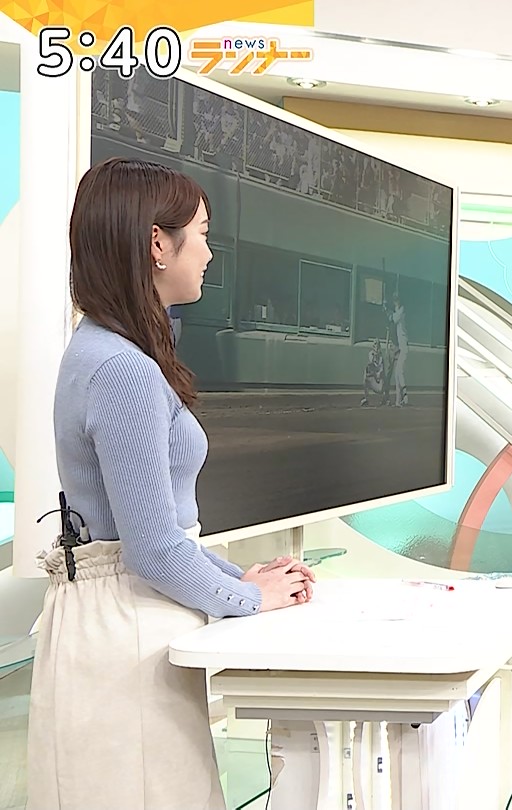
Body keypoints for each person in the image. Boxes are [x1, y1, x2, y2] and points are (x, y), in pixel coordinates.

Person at [28, 157, 316, 810]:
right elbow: (153, 549)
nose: (210, 253)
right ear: (158, 244)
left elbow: (156, 536)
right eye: (203, 234)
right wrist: (249, 598)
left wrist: (238, 577)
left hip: (116, 628)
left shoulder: (101, 349)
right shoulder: (121, 369)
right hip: (123, 644)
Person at [388, 289, 408, 406]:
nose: (395, 302)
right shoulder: (398, 310)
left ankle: (405, 396)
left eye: (397, 300)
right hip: (401, 347)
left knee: (399, 372)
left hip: (404, 346)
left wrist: (388, 311)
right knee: (397, 374)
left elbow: (394, 319)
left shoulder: (402, 310)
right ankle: (398, 400)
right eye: (394, 300)